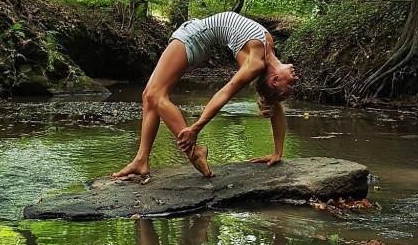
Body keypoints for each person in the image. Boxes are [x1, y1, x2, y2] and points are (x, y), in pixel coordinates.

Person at [112, 11, 298, 180]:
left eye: (291, 84)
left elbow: (224, 93)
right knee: (149, 96)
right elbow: (274, 105)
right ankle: (141, 160)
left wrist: (196, 128)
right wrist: (277, 153)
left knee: (155, 95)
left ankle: (194, 152)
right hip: (199, 39)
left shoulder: (255, 63)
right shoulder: (267, 51)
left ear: (275, 80)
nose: (295, 78)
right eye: (293, 83)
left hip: (193, 36)